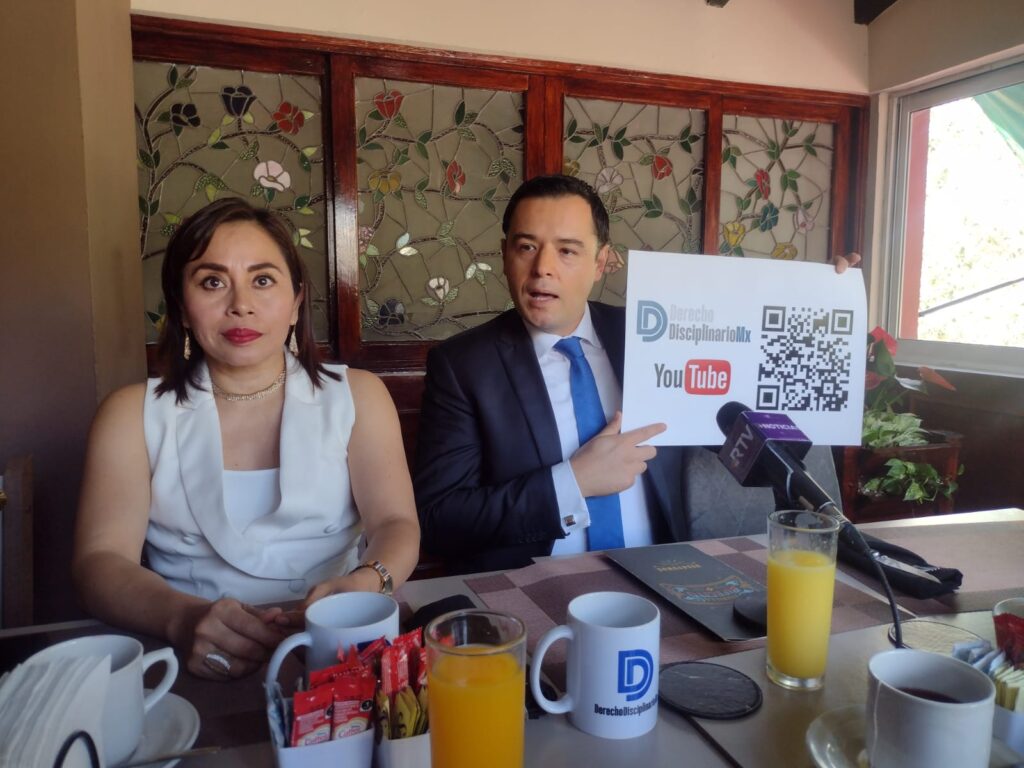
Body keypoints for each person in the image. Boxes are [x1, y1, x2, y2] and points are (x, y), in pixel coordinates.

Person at [414, 174, 857, 573]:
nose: (542, 267)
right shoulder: (463, 366)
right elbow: (439, 520)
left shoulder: (654, 336)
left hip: (663, 575)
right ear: (505, 254)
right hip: (531, 587)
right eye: (526, 246)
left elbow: (755, 427)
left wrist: (819, 299)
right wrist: (573, 482)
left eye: (567, 250)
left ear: (601, 262)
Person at [73, 198, 420, 680]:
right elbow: (100, 562)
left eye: (262, 280)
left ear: (296, 302)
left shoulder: (359, 396)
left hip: (333, 645)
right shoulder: (130, 414)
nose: (240, 304)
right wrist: (182, 619)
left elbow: (396, 523)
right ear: (182, 308)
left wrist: (368, 580)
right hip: (188, 656)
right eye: (212, 282)